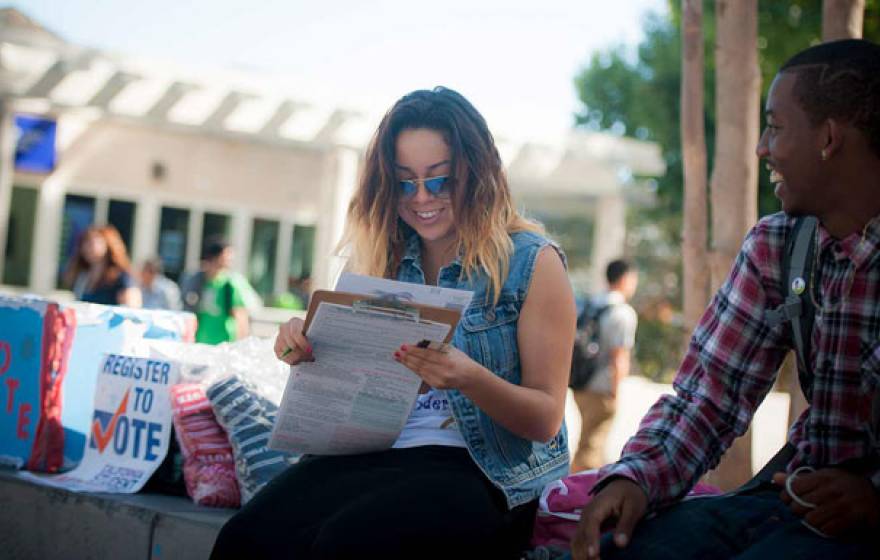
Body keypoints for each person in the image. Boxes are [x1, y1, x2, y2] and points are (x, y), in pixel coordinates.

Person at [211, 87, 576, 560]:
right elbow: (343, 391)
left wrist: (468, 378)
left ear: (477, 174)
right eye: (405, 183)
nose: (421, 198)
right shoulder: (377, 257)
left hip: (485, 472)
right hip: (374, 456)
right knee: (245, 539)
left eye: (439, 180)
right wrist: (307, 354)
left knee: (348, 543)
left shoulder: (531, 263)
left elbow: (545, 418)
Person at [572, 39, 880, 560]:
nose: (762, 147)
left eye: (776, 127)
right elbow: (708, 398)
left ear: (829, 137)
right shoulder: (778, 246)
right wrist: (634, 479)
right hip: (788, 504)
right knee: (627, 547)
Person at [571, 259, 638, 473]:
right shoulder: (623, 312)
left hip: (579, 382)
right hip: (601, 388)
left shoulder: (591, 304)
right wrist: (617, 392)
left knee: (591, 443)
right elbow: (619, 355)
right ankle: (575, 498)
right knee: (590, 449)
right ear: (625, 279)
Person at [181, 237, 249, 344]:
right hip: (200, 341)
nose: (231, 259)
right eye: (227, 255)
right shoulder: (197, 281)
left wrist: (242, 343)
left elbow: (240, 315)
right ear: (216, 257)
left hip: (224, 343)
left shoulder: (230, 284)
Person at [64, 225, 141, 307]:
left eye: (92, 242)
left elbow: (131, 309)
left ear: (108, 244)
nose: (87, 247)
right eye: (84, 242)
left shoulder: (122, 277)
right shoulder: (82, 276)